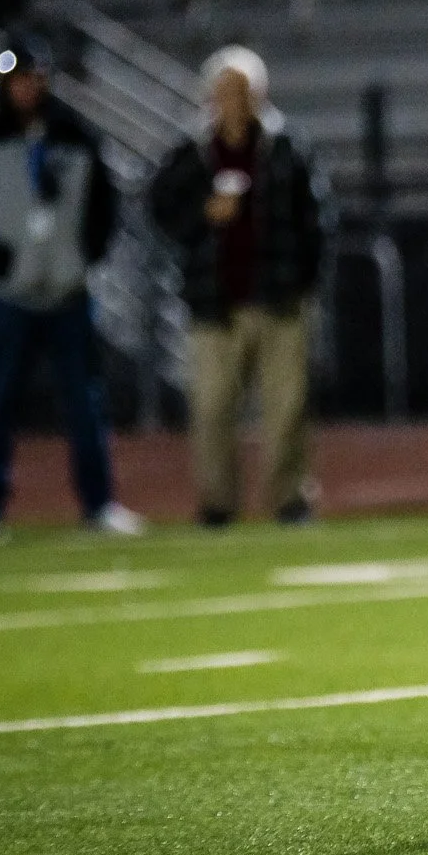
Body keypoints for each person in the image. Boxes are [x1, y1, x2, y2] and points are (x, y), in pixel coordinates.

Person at [0, 37, 143, 541]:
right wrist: (1, 263)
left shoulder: (76, 137)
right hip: (7, 296)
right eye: (17, 79)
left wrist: (82, 259)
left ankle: (99, 503)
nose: (27, 88)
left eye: (33, 77)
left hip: (68, 293)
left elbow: (105, 207)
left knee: (84, 403)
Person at [149, 46, 329, 526]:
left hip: (277, 297)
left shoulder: (288, 147)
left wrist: (304, 280)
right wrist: (202, 216)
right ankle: (217, 504)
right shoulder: (191, 152)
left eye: (243, 91)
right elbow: (160, 209)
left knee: (286, 408)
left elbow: (317, 219)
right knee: (210, 408)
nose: (234, 100)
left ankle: (290, 500)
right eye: (225, 90)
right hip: (215, 301)